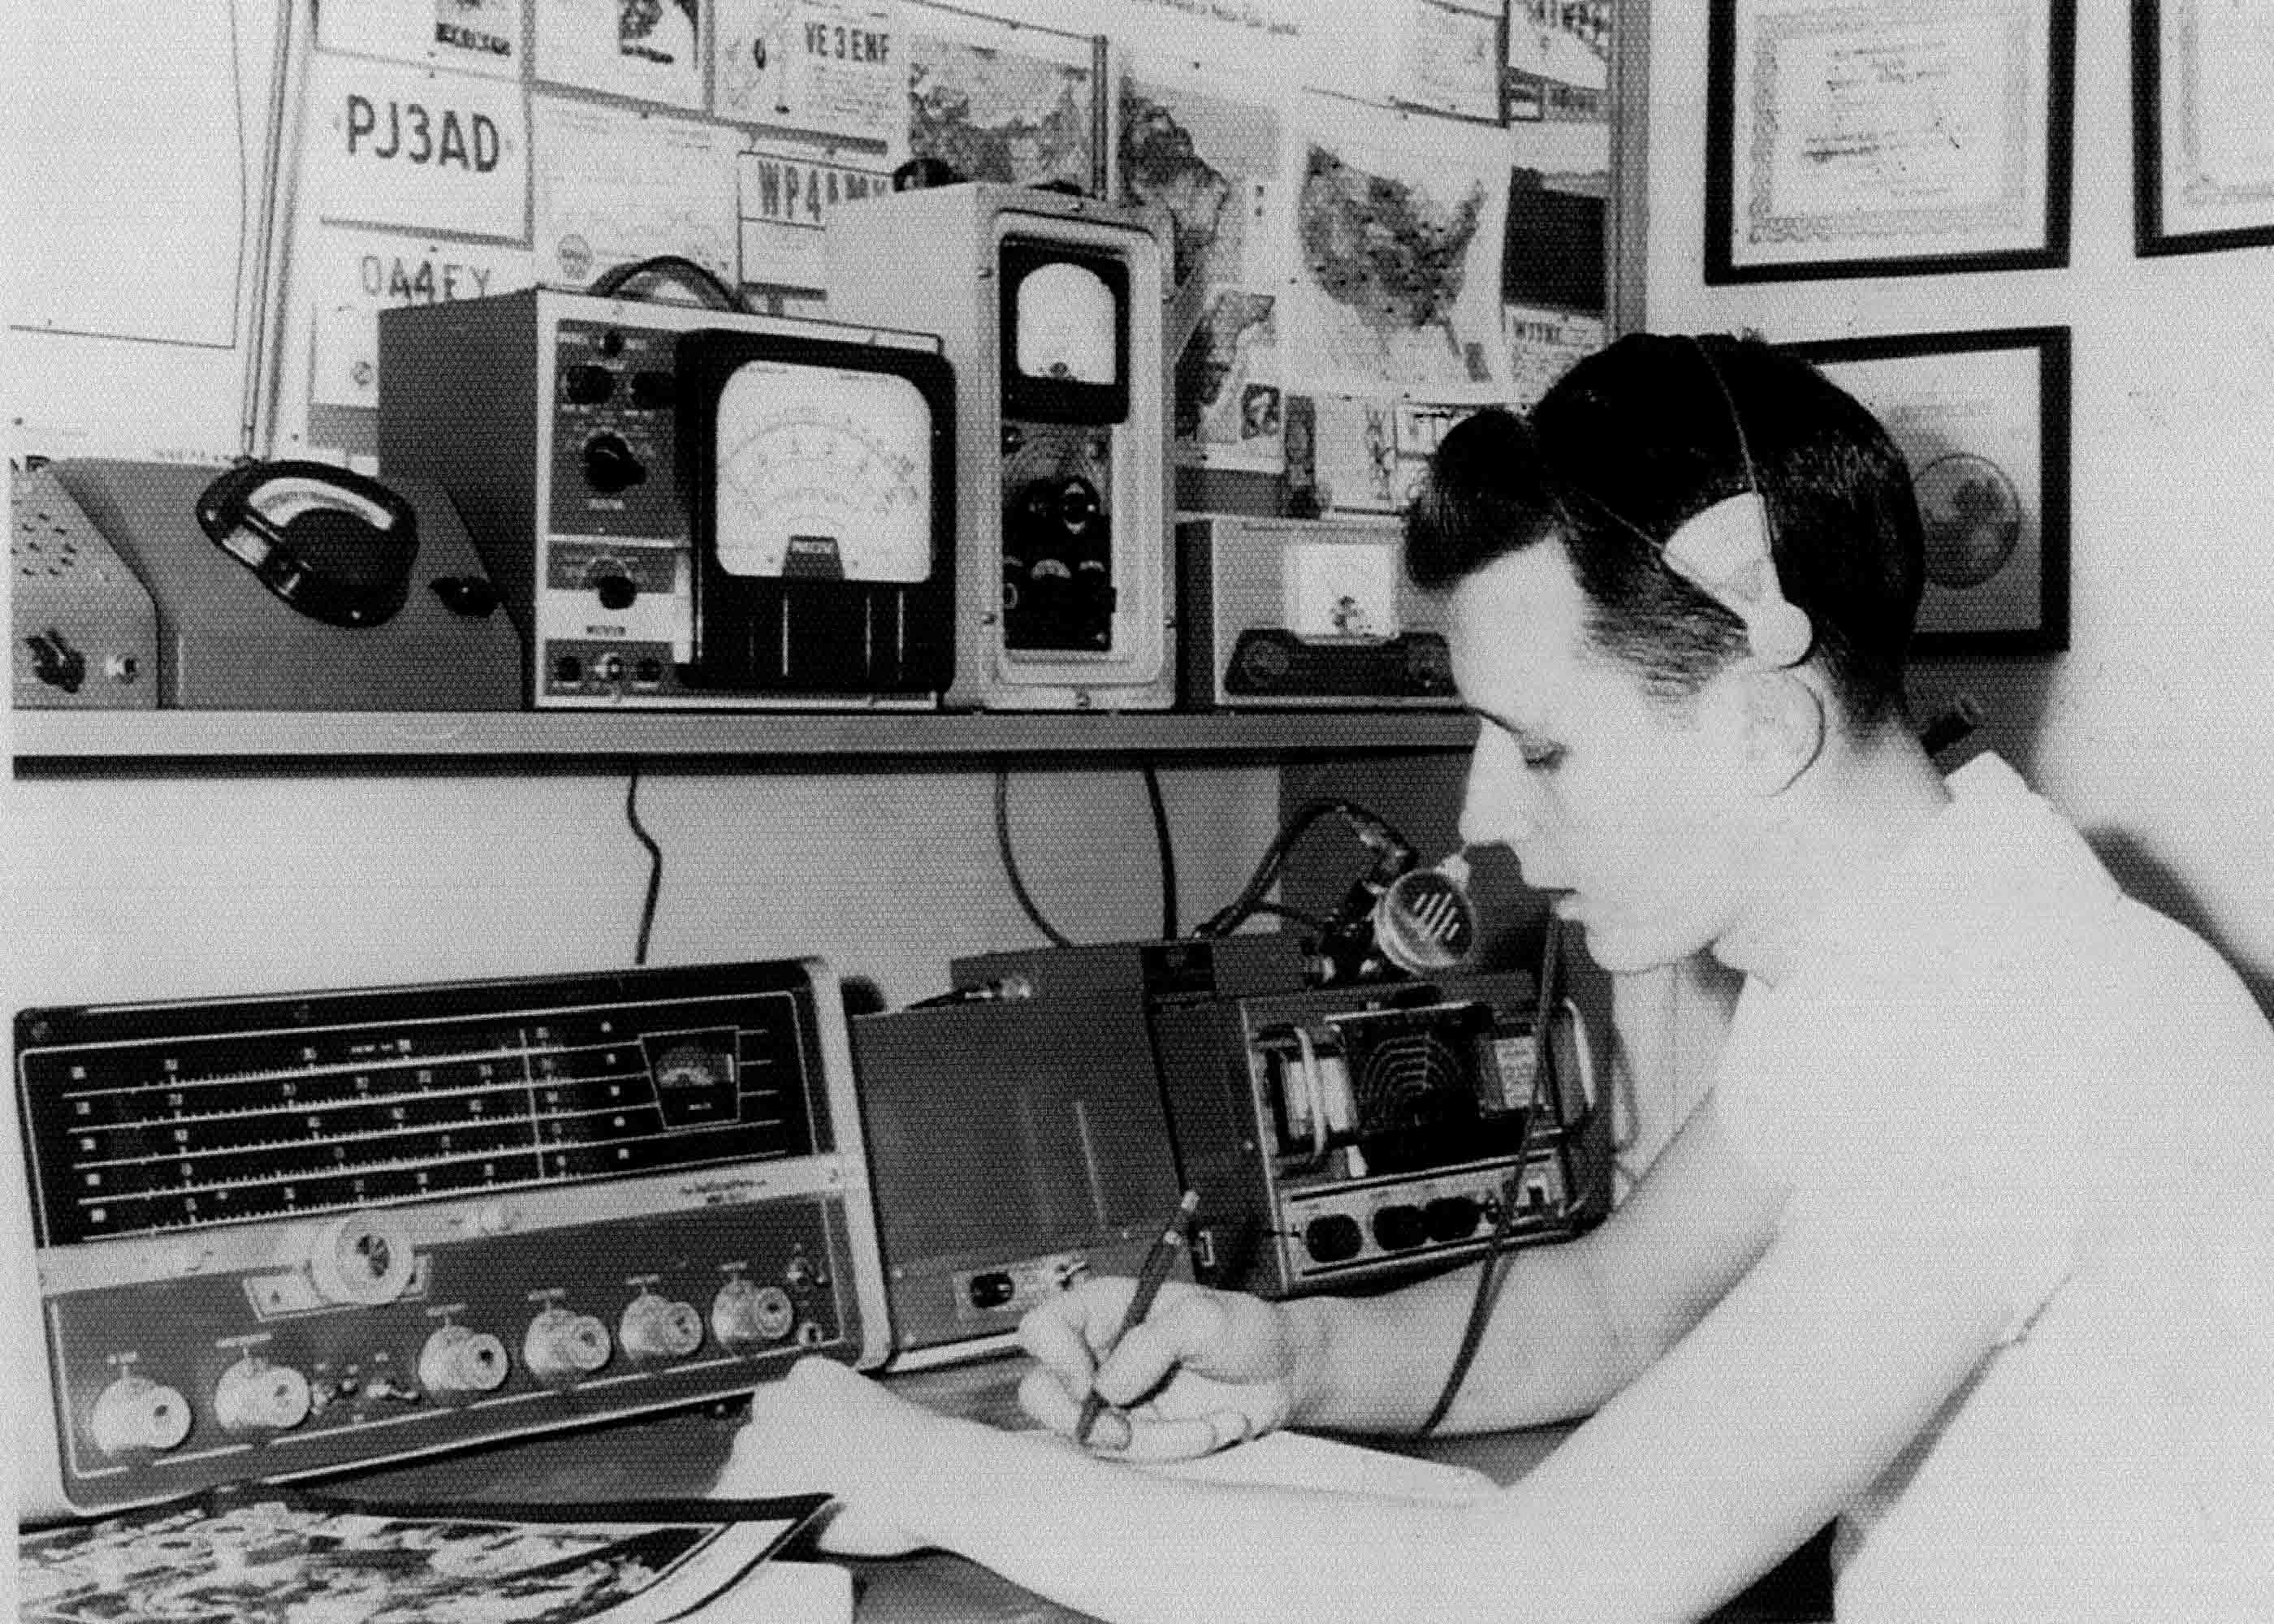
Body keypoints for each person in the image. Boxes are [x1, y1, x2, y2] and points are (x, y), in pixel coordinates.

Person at [716, 332, 2274, 1622]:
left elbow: (1539, 1597)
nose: (1481, 817)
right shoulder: (1921, 948)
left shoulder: (2025, 1030)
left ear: (1765, 723)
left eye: (1541, 748)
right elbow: (1616, 1311)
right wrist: (1292, 1357)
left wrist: (939, 1470)